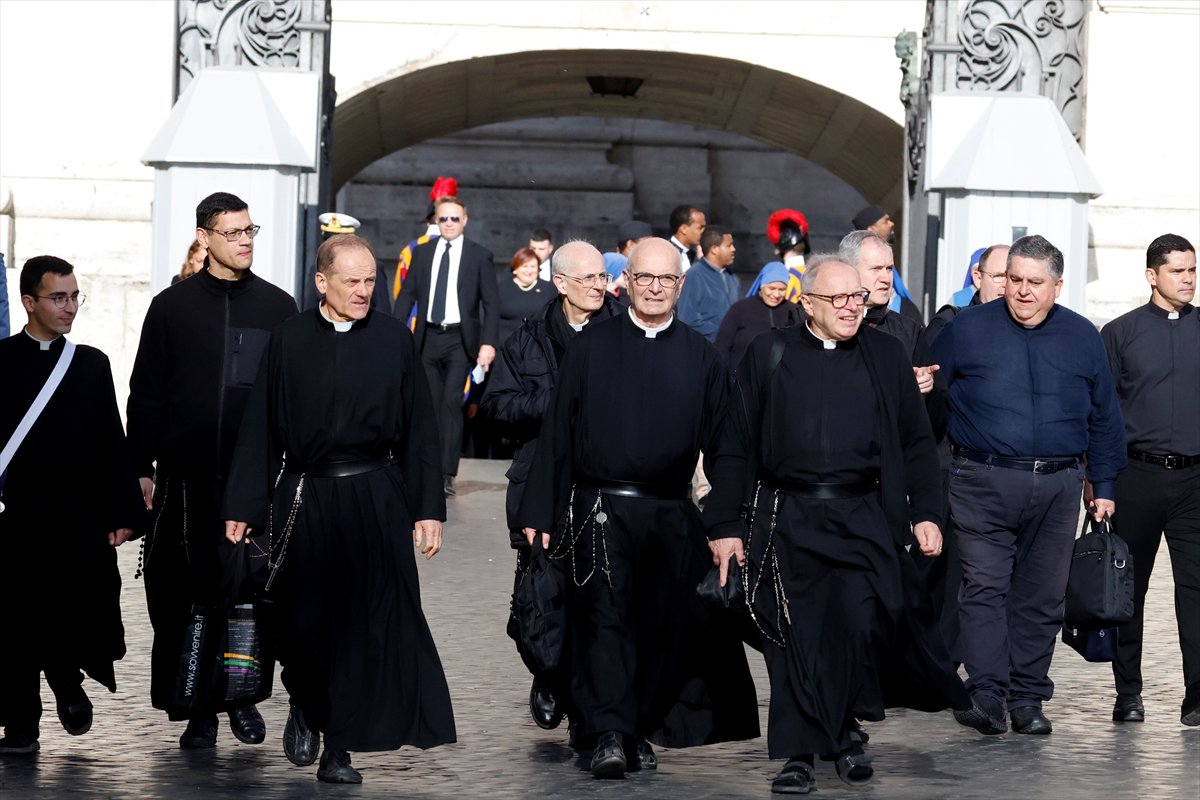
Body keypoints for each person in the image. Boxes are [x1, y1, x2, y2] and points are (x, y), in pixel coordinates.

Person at [705, 258, 969, 792]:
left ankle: (844, 730)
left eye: (859, 298)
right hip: (787, 516)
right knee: (794, 636)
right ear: (808, 304)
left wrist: (926, 513)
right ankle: (800, 752)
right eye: (839, 299)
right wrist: (725, 523)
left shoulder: (886, 355)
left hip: (864, 514)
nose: (852, 307)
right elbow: (735, 446)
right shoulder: (768, 353)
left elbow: (916, 442)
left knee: (860, 625)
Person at [517, 237, 759, 779]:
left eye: (666, 280)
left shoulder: (704, 359)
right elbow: (558, 434)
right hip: (599, 511)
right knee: (604, 621)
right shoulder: (592, 347)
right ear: (625, 283)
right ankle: (607, 732)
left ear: (680, 285)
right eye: (644, 278)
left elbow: (730, 448)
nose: (654, 288)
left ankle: (638, 726)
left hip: (670, 514)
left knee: (657, 628)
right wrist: (540, 512)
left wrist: (724, 523)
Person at [223, 233, 455, 784]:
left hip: (375, 496)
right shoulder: (289, 340)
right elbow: (261, 427)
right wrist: (245, 503)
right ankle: (305, 700)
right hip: (305, 497)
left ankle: (339, 746)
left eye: (370, 280)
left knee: (363, 626)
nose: (363, 291)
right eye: (351, 281)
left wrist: (427, 509)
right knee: (302, 623)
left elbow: (421, 430)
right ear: (321, 282)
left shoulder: (395, 340)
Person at [931, 234, 1127, 736]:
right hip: (981, 479)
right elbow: (929, 406)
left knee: (1042, 597)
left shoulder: (1083, 336)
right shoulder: (966, 329)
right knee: (985, 586)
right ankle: (988, 693)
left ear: (1056, 286)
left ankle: (1027, 698)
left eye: (1034, 283)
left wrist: (1102, 483)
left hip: (1060, 483)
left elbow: (1105, 415)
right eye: (1013, 279)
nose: (1021, 291)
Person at [126, 191, 298, 749]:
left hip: (253, 485)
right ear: (204, 237)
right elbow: (146, 392)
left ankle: (241, 699)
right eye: (234, 232)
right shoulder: (172, 307)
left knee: (248, 597)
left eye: (251, 231)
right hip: (185, 484)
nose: (246, 240)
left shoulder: (278, 307)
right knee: (186, 597)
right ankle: (198, 705)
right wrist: (141, 467)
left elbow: (289, 399)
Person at [0, 256, 145, 756]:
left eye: (74, 296)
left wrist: (123, 514)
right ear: (29, 302)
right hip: (17, 520)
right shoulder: (0, 362)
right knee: (13, 624)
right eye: (58, 297)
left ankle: (67, 683)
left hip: (78, 521)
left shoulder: (90, 364)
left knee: (70, 613)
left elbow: (111, 440)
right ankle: (20, 726)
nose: (69, 307)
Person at [480, 240, 623, 735]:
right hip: (541, 484)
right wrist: (556, 401)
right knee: (544, 594)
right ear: (560, 283)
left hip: (605, 486)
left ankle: (596, 707)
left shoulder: (625, 331)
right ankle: (547, 672)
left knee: (604, 597)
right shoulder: (527, 338)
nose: (598, 288)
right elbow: (496, 408)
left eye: (602, 278)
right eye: (587, 280)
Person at [1100, 233, 1199, 727]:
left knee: (1196, 588)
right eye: (1178, 270)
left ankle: (1197, 694)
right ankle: (1128, 693)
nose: (1188, 279)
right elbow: (1100, 414)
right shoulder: (1119, 333)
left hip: (1195, 483)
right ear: (1151, 276)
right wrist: (1099, 487)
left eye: (1192, 269)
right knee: (1127, 589)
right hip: (1134, 477)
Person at [394, 195, 499, 498]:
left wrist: (488, 343)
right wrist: (395, 330)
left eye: (455, 218)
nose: (449, 224)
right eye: (444, 219)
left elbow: (491, 305)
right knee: (428, 405)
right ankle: (425, 468)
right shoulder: (423, 253)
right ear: (435, 222)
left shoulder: (479, 256)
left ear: (465, 220)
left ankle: (446, 473)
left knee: (452, 404)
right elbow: (407, 296)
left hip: (459, 340)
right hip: (427, 339)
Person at [714, 261, 801, 369]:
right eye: (772, 288)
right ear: (762, 285)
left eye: (782, 289)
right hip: (742, 379)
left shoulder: (794, 311)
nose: (776, 294)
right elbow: (722, 345)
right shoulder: (740, 308)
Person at [921, 244, 1009, 350]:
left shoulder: (1025, 327)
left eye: (1014, 278)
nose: (1006, 284)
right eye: (999, 276)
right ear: (978, 279)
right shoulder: (949, 323)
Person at [676, 225, 740, 342]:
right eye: (729, 245)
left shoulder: (732, 277)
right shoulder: (693, 276)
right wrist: (722, 334)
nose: (733, 249)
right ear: (714, 249)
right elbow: (688, 319)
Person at [497, 247, 553, 346]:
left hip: (536, 349)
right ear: (515, 269)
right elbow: (490, 318)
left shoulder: (549, 289)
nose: (529, 270)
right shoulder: (502, 288)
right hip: (505, 348)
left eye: (533, 266)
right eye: (525, 266)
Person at [668, 204, 706, 273]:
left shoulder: (698, 254)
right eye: (700, 228)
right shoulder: (665, 252)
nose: (704, 231)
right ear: (684, 229)